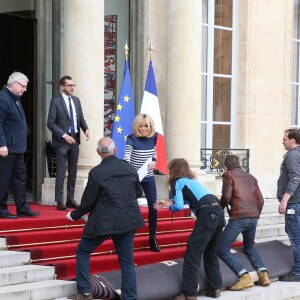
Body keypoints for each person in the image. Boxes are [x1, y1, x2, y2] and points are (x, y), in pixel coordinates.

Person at [66, 137, 145, 300]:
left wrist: (73, 215)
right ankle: (130, 298)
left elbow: (88, 202)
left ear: (97, 152)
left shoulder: (96, 173)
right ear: (115, 150)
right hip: (127, 221)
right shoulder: (130, 168)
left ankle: (85, 291)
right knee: (127, 262)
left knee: (83, 250)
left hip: (104, 222)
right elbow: (138, 193)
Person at [157, 158, 225, 300]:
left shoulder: (178, 182)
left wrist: (169, 206)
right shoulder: (192, 182)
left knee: (192, 254)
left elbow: (179, 206)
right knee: (210, 253)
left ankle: (189, 293)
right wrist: (169, 202)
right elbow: (190, 199)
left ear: (173, 170)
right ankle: (214, 288)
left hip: (206, 215)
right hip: (218, 212)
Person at [217, 155, 271, 291]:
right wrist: (256, 214)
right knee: (249, 247)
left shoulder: (228, 175)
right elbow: (261, 200)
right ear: (239, 164)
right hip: (253, 215)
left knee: (222, 249)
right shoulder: (251, 177)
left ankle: (244, 276)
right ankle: (263, 274)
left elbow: (227, 196)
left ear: (225, 166)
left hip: (239, 217)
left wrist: (219, 208)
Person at [0, 72, 40, 219]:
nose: (25, 89)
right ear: (14, 84)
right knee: (3, 179)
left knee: (20, 179)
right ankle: (1, 208)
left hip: (17, 148)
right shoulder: (3, 98)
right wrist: (1, 144)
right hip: (6, 149)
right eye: (23, 86)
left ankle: (23, 208)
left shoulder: (15, 98)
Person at [47, 75, 90, 211]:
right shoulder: (56, 101)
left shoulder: (76, 101)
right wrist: (64, 135)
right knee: (60, 172)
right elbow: (50, 123)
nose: (72, 88)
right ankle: (60, 201)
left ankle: (70, 199)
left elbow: (80, 119)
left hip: (75, 140)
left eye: (73, 85)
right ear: (62, 86)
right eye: (69, 85)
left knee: (73, 171)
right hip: (62, 141)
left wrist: (86, 129)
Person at [124, 113, 160, 252]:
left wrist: (154, 162)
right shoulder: (131, 138)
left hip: (149, 177)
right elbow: (126, 159)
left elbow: (154, 154)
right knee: (131, 208)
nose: (144, 128)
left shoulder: (154, 137)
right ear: (136, 126)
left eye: (146, 126)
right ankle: (127, 239)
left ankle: (152, 238)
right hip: (134, 178)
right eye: (141, 126)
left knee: (154, 207)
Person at [277, 129, 300, 282]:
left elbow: (295, 178)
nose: (283, 141)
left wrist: (284, 200)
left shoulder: (293, 155)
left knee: (296, 237)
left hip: (294, 203)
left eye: (285, 139)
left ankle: (297, 272)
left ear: (292, 140)